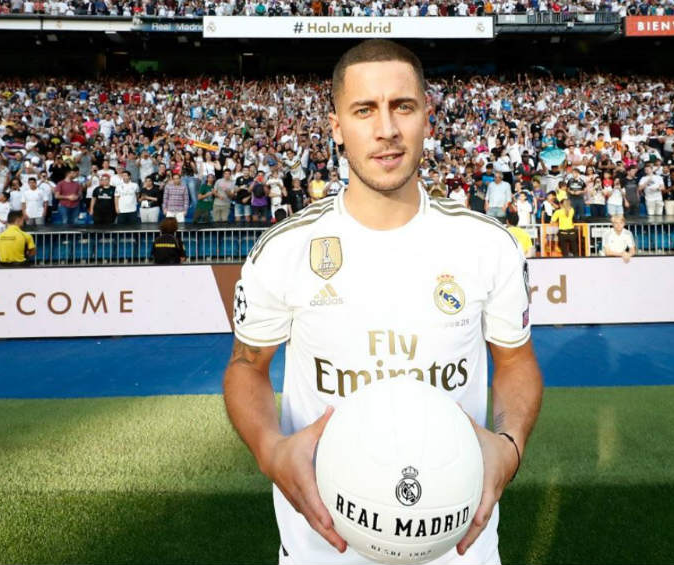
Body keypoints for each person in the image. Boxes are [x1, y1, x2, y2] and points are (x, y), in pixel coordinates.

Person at [223, 40, 542, 565]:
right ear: (336, 125)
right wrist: (270, 448)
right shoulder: (284, 250)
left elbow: (515, 360)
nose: (386, 129)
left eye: (403, 106)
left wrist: (508, 445)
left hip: (459, 548)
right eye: (365, 109)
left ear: (427, 118)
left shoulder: (488, 246)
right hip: (322, 550)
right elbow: (245, 366)